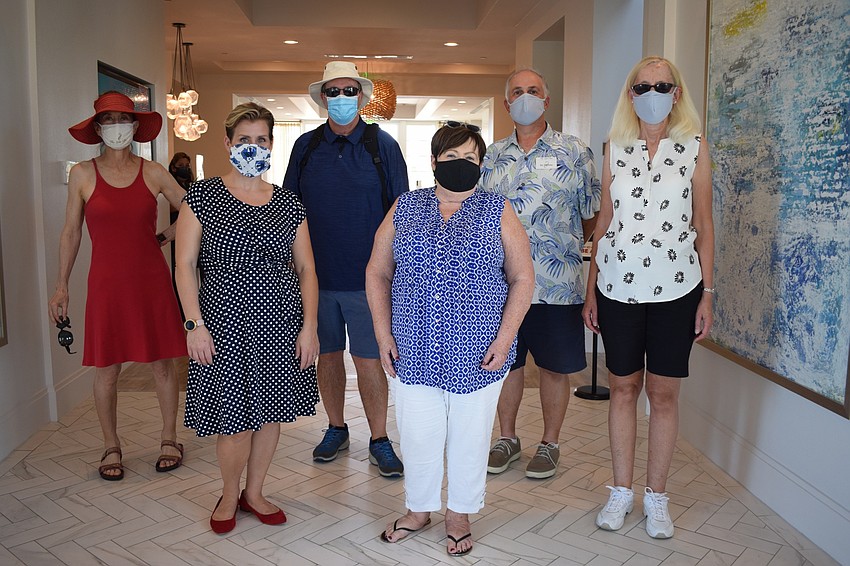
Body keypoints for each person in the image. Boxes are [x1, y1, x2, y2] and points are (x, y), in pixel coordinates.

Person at [366, 124, 534, 556]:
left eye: (471, 159)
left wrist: (506, 336)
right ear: (435, 161)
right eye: (453, 157)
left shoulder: (498, 210)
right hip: (413, 349)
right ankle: (419, 509)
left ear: (482, 165)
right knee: (419, 435)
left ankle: (459, 513)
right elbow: (377, 272)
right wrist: (383, 332)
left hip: (479, 353)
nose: (463, 165)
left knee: (469, 436)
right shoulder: (406, 206)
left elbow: (522, 278)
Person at [583, 56, 714, 539]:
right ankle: (621, 491)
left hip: (679, 289)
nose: (653, 92)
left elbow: (704, 225)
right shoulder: (614, 148)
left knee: (663, 393)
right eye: (643, 86)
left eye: (662, 85)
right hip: (617, 288)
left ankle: (657, 497)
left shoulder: (694, 149)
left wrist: (709, 294)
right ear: (631, 94)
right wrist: (592, 287)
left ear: (676, 93)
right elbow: (603, 222)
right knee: (621, 388)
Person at [174, 102, 320, 534]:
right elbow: (184, 265)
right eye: (244, 140)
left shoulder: (289, 203)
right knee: (234, 419)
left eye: (261, 140)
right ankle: (228, 491)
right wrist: (193, 324)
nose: (252, 148)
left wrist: (309, 327)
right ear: (227, 143)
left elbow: (307, 269)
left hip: (280, 322)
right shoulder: (201, 198)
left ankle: (254, 492)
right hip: (222, 323)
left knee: (271, 415)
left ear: (272, 145)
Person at [48, 91, 188, 481]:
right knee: (107, 368)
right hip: (106, 284)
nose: (115, 127)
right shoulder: (82, 174)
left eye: (121, 119)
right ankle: (111, 445)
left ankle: (169, 437)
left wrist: (163, 237)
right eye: (107, 120)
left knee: (162, 363)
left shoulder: (154, 171)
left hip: (151, 281)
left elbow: (195, 212)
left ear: (135, 127)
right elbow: (71, 231)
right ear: (97, 128)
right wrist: (61, 285)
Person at [283, 61, 408, 477]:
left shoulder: (382, 146)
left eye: (348, 91)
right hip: (317, 279)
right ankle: (336, 427)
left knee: (370, 360)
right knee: (329, 356)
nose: (340, 98)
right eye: (332, 92)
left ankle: (379, 438)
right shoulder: (304, 147)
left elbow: (401, 211)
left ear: (362, 96)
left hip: (369, 280)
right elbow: (289, 210)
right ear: (322, 98)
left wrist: (395, 272)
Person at [480, 69, 601, 479]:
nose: (526, 97)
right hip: (499, 285)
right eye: (518, 92)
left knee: (553, 367)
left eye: (534, 91)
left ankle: (550, 443)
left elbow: (591, 216)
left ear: (546, 101)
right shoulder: (491, 156)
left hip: (556, 284)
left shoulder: (575, 152)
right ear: (506, 104)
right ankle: (508, 438)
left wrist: (558, 245)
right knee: (504, 364)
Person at [167, 152, 195, 316]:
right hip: (173, 236)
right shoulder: (170, 185)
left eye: (187, 165)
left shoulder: (191, 186)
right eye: (181, 166)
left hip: (189, 236)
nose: (184, 169)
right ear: (173, 167)